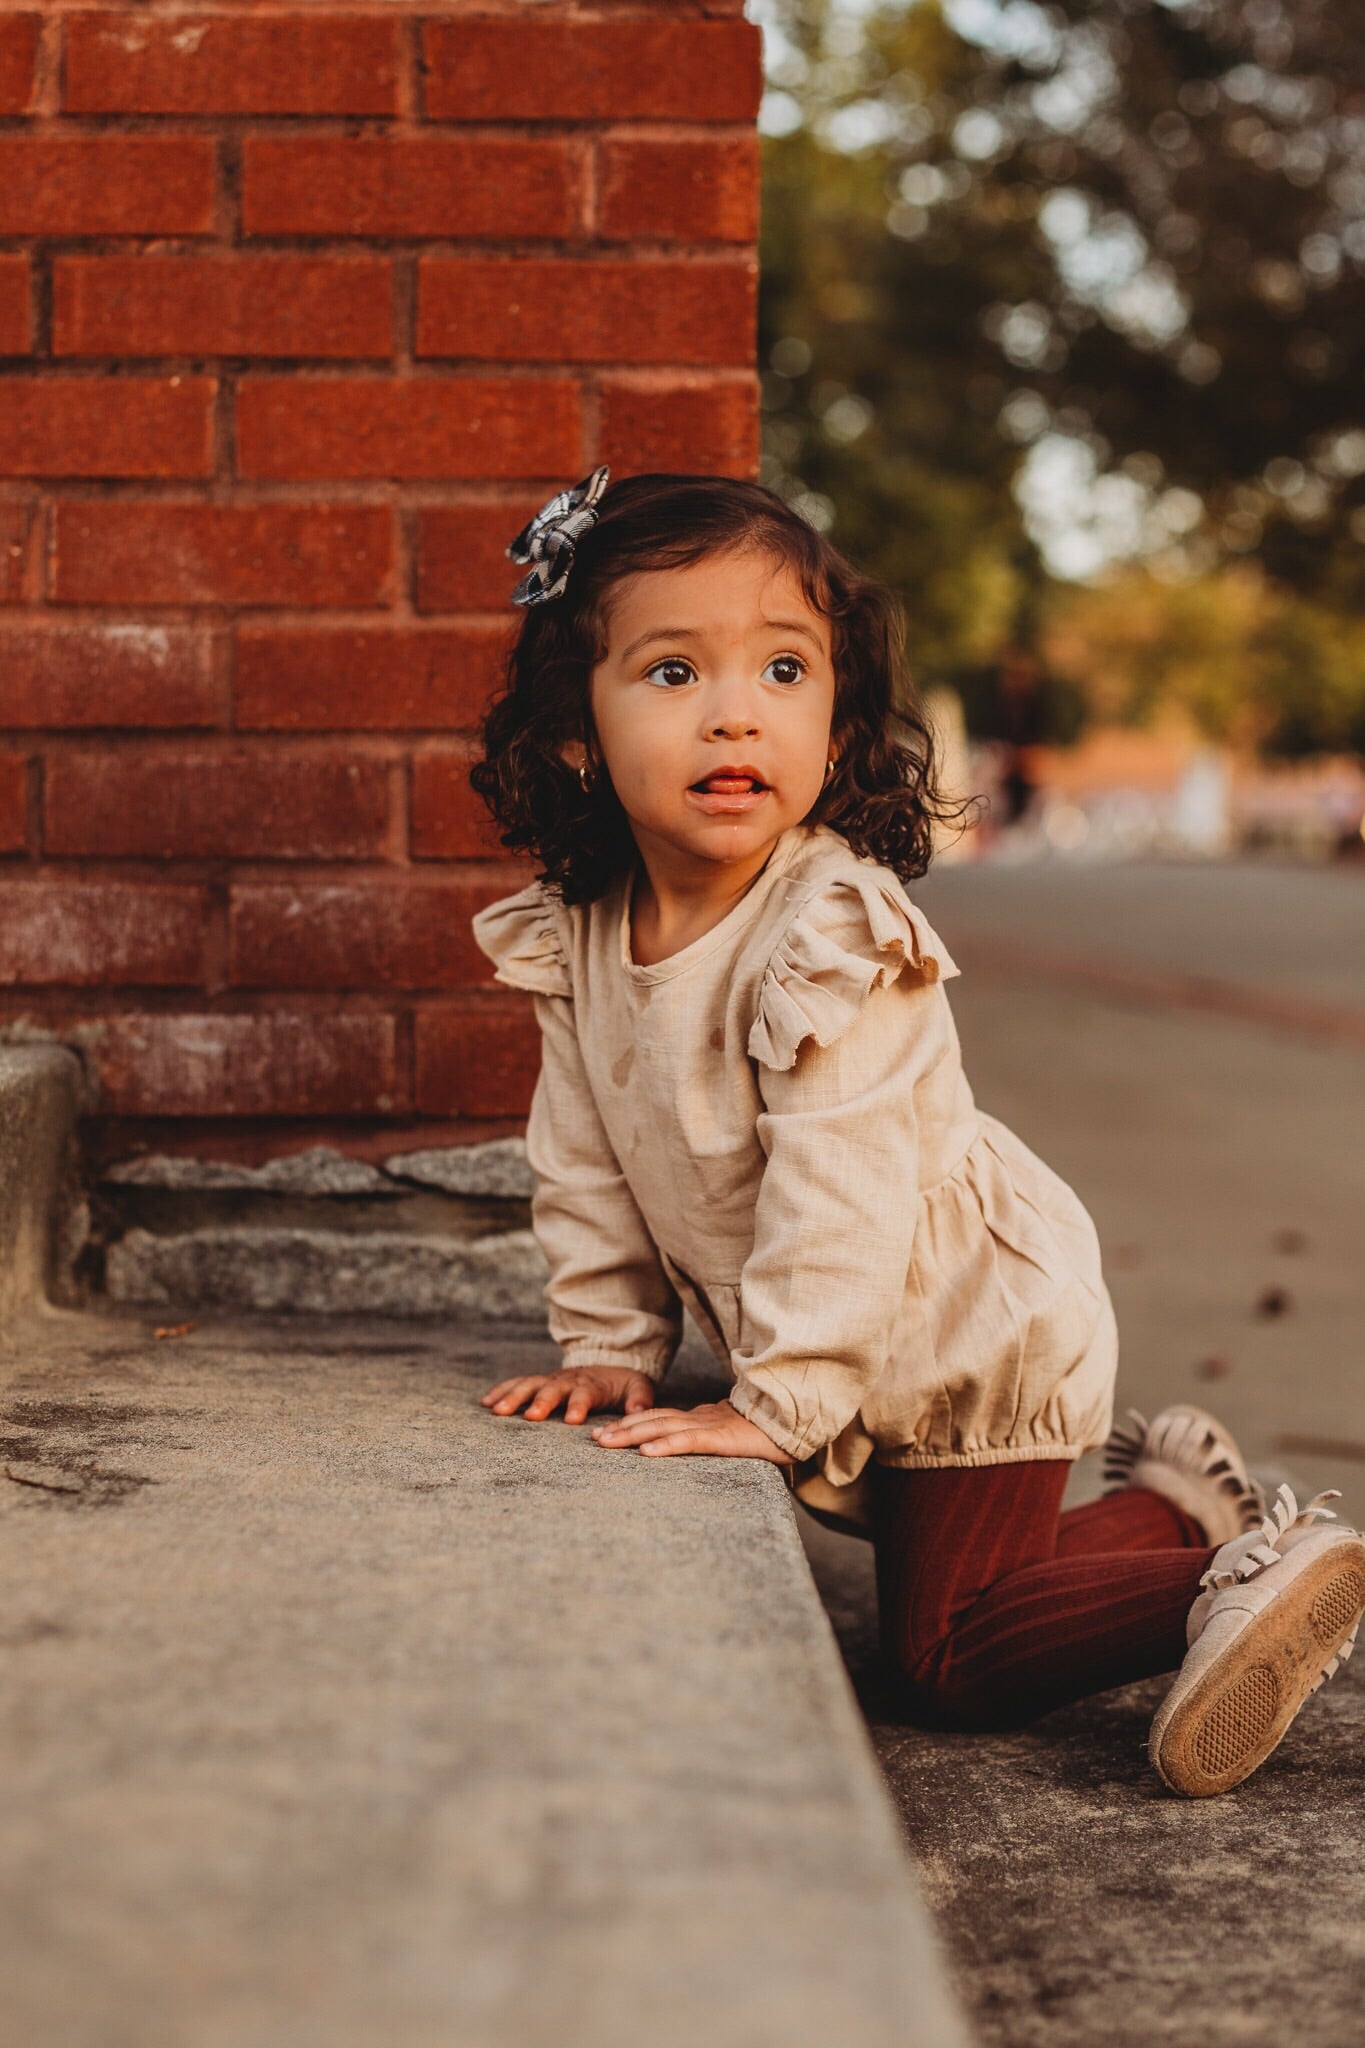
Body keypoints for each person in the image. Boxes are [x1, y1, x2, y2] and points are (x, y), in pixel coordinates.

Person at [469, 468, 1364, 1797]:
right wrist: (609, 1347)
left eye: (783, 670)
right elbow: (582, 1153)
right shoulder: (585, 928)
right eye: (672, 673)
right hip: (878, 1333)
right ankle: (1177, 1505)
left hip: (965, 1327)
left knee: (944, 1656)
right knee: (961, 1594)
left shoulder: (827, 933)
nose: (733, 712)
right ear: (572, 737)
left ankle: (1242, 1577)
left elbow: (846, 1191)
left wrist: (774, 1406)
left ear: (833, 730)